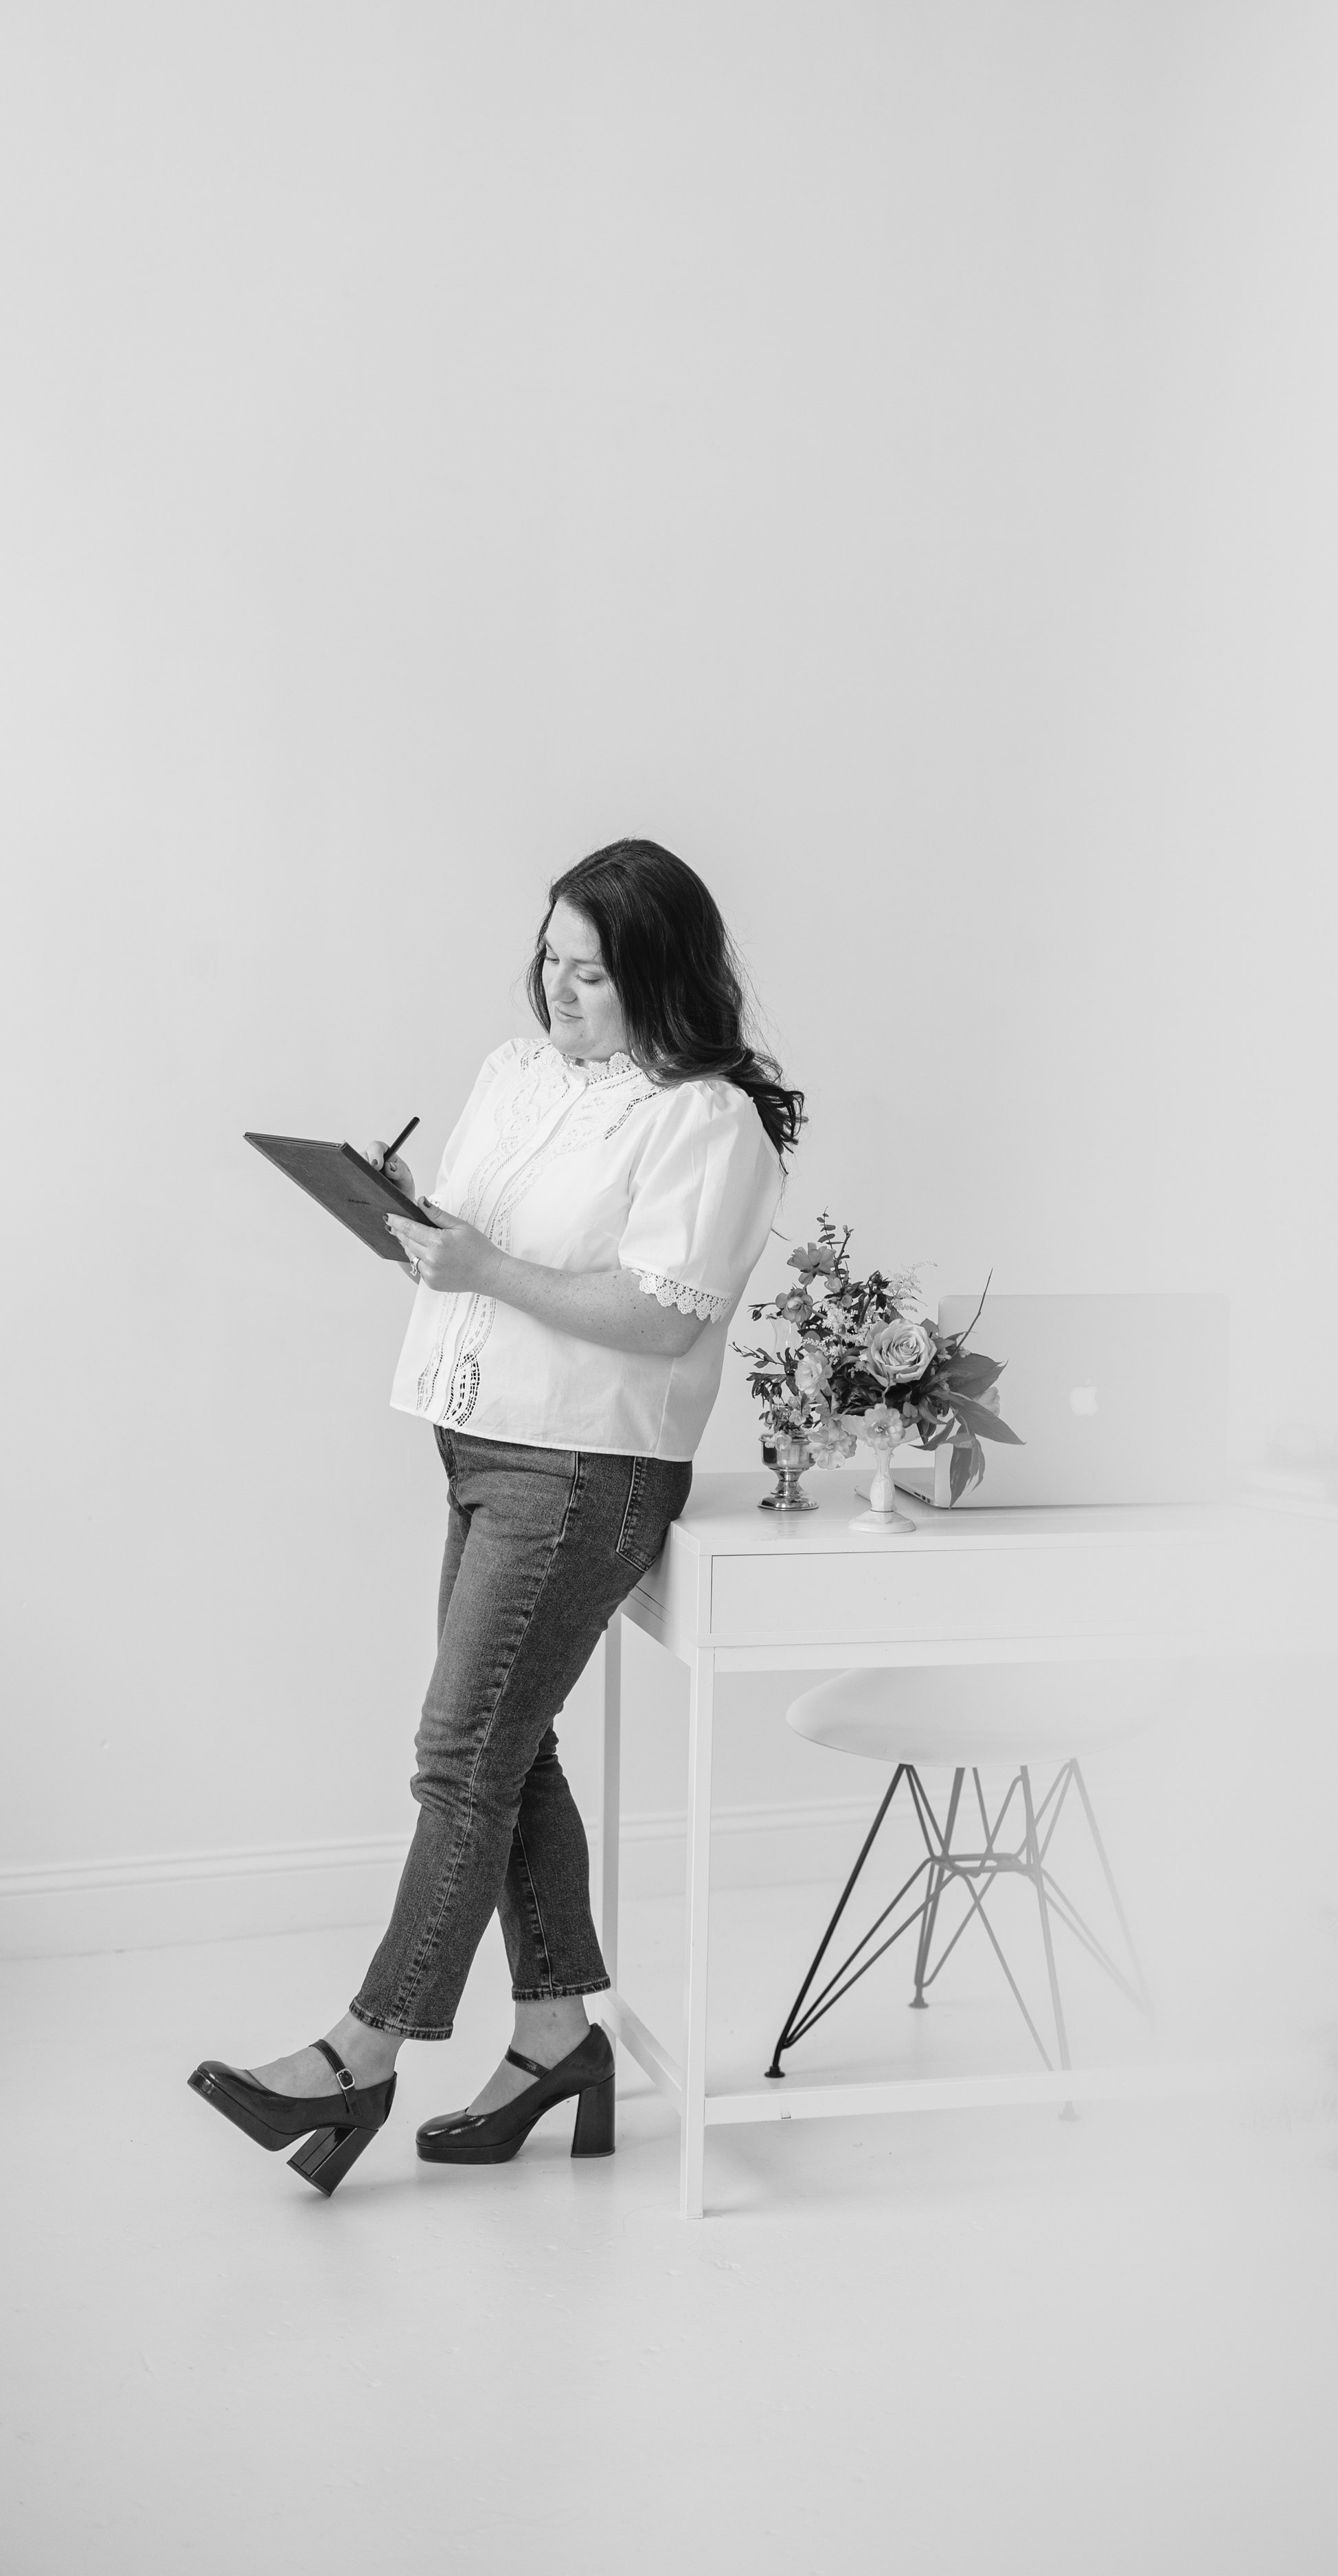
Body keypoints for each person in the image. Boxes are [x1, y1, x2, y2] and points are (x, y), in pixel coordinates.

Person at [190, 840, 800, 2193]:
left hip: (584, 1465)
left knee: (460, 1753)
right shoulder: (517, 1073)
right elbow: (472, 1243)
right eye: (551, 959)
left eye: (592, 972)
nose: (560, 989)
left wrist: (485, 1264)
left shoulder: (705, 1123)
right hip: (476, 1434)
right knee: (506, 1753)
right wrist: (405, 1220)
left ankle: (359, 2054)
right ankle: (552, 2039)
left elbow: (655, 1317)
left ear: (659, 976)